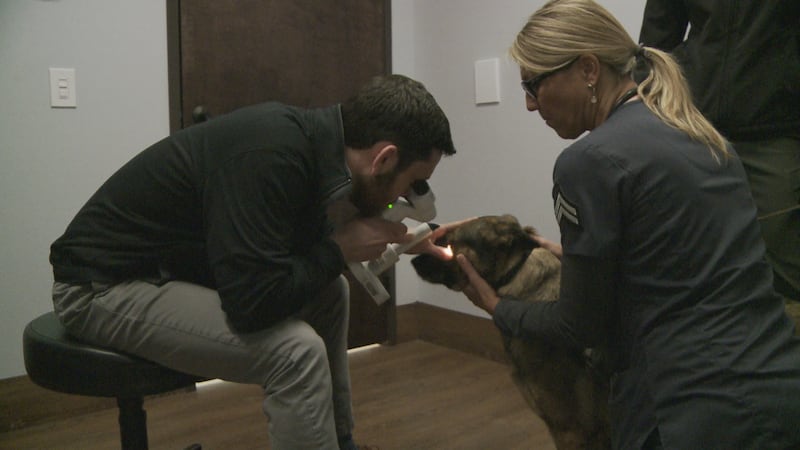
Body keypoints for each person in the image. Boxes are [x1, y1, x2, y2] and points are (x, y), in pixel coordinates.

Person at [452, 1, 800, 448]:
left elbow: (579, 327)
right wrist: (574, 257)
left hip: (688, 413)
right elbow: (684, 267)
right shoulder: (702, 133)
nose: (528, 104)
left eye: (534, 85)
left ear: (588, 69)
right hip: (776, 388)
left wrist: (498, 307)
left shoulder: (588, 162)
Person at [49, 74, 456, 450]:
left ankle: (338, 441)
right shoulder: (272, 153)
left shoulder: (315, 150)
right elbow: (252, 304)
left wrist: (405, 239)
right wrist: (338, 249)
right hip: (100, 287)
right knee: (296, 353)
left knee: (331, 292)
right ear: (383, 159)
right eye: (414, 182)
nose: (409, 196)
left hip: (168, 271)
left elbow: (295, 256)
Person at [638, 0, 800, 322]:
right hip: (693, 125)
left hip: (775, 128)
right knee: (687, 264)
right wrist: (649, 110)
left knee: (786, 274)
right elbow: (655, 44)